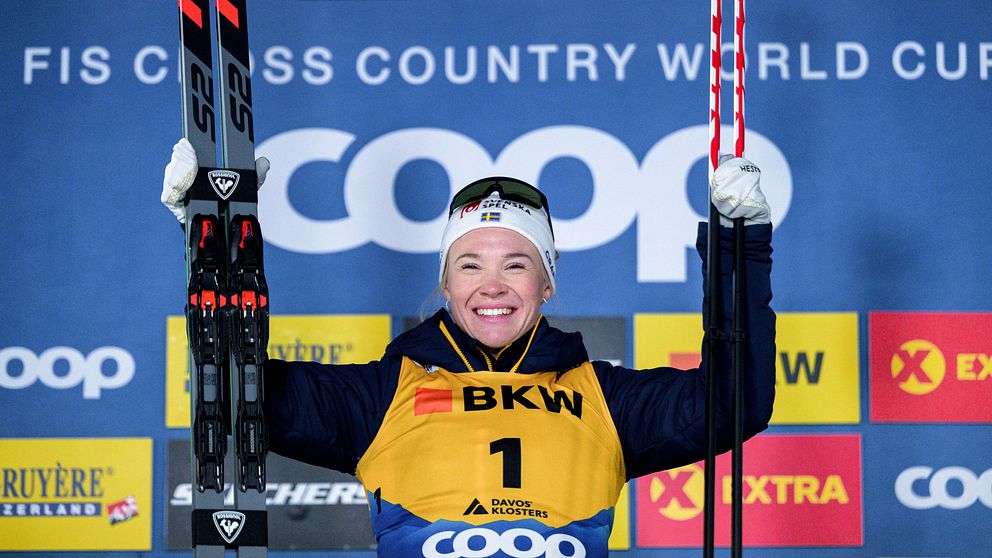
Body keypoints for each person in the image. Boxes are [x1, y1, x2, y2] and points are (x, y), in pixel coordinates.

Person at [163, 141, 775, 558]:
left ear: (547, 282)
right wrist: (208, 240)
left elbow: (732, 403)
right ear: (446, 282)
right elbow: (238, 393)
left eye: (517, 264)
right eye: (470, 264)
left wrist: (738, 250)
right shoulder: (384, 392)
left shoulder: (604, 397)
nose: (493, 286)